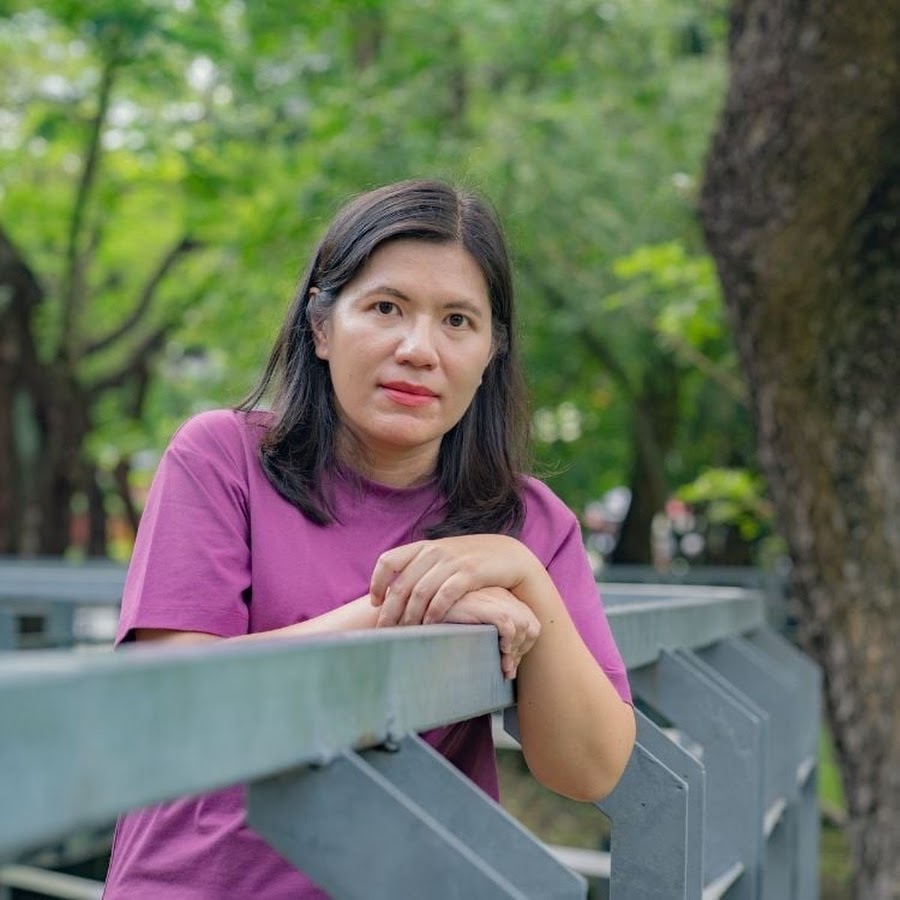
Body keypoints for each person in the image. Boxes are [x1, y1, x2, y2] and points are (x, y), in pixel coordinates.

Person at [103, 179, 635, 899]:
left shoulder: (527, 524)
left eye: (457, 320)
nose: (419, 349)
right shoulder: (222, 458)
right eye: (386, 308)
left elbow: (590, 770)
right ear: (321, 327)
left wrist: (524, 575)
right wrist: (407, 608)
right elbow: (176, 700)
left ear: (490, 353)